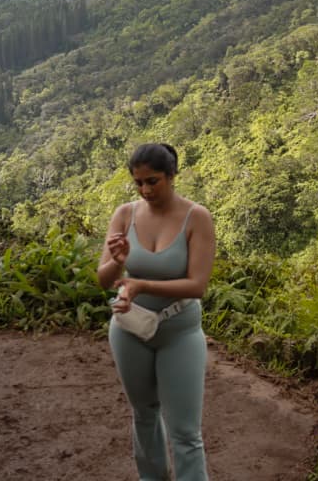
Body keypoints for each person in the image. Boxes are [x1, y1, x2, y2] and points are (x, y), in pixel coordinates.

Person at [97, 142, 217, 481]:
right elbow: (104, 280)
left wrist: (139, 285)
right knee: (144, 414)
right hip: (129, 330)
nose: (145, 190)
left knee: (185, 432)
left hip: (179, 332)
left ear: (171, 176)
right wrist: (117, 263)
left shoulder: (197, 217)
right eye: (138, 182)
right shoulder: (125, 214)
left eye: (153, 181)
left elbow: (197, 286)